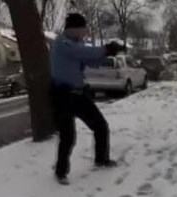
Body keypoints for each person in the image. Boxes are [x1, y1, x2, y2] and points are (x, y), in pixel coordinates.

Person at [50, 13, 125, 185]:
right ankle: (60, 172)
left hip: (79, 93)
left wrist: (107, 54)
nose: (85, 33)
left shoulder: (77, 43)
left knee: (100, 126)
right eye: (83, 29)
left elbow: (89, 59)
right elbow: (82, 52)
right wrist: (106, 49)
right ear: (73, 29)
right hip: (62, 96)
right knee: (68, 136)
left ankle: (101, 159)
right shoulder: (62, 44)